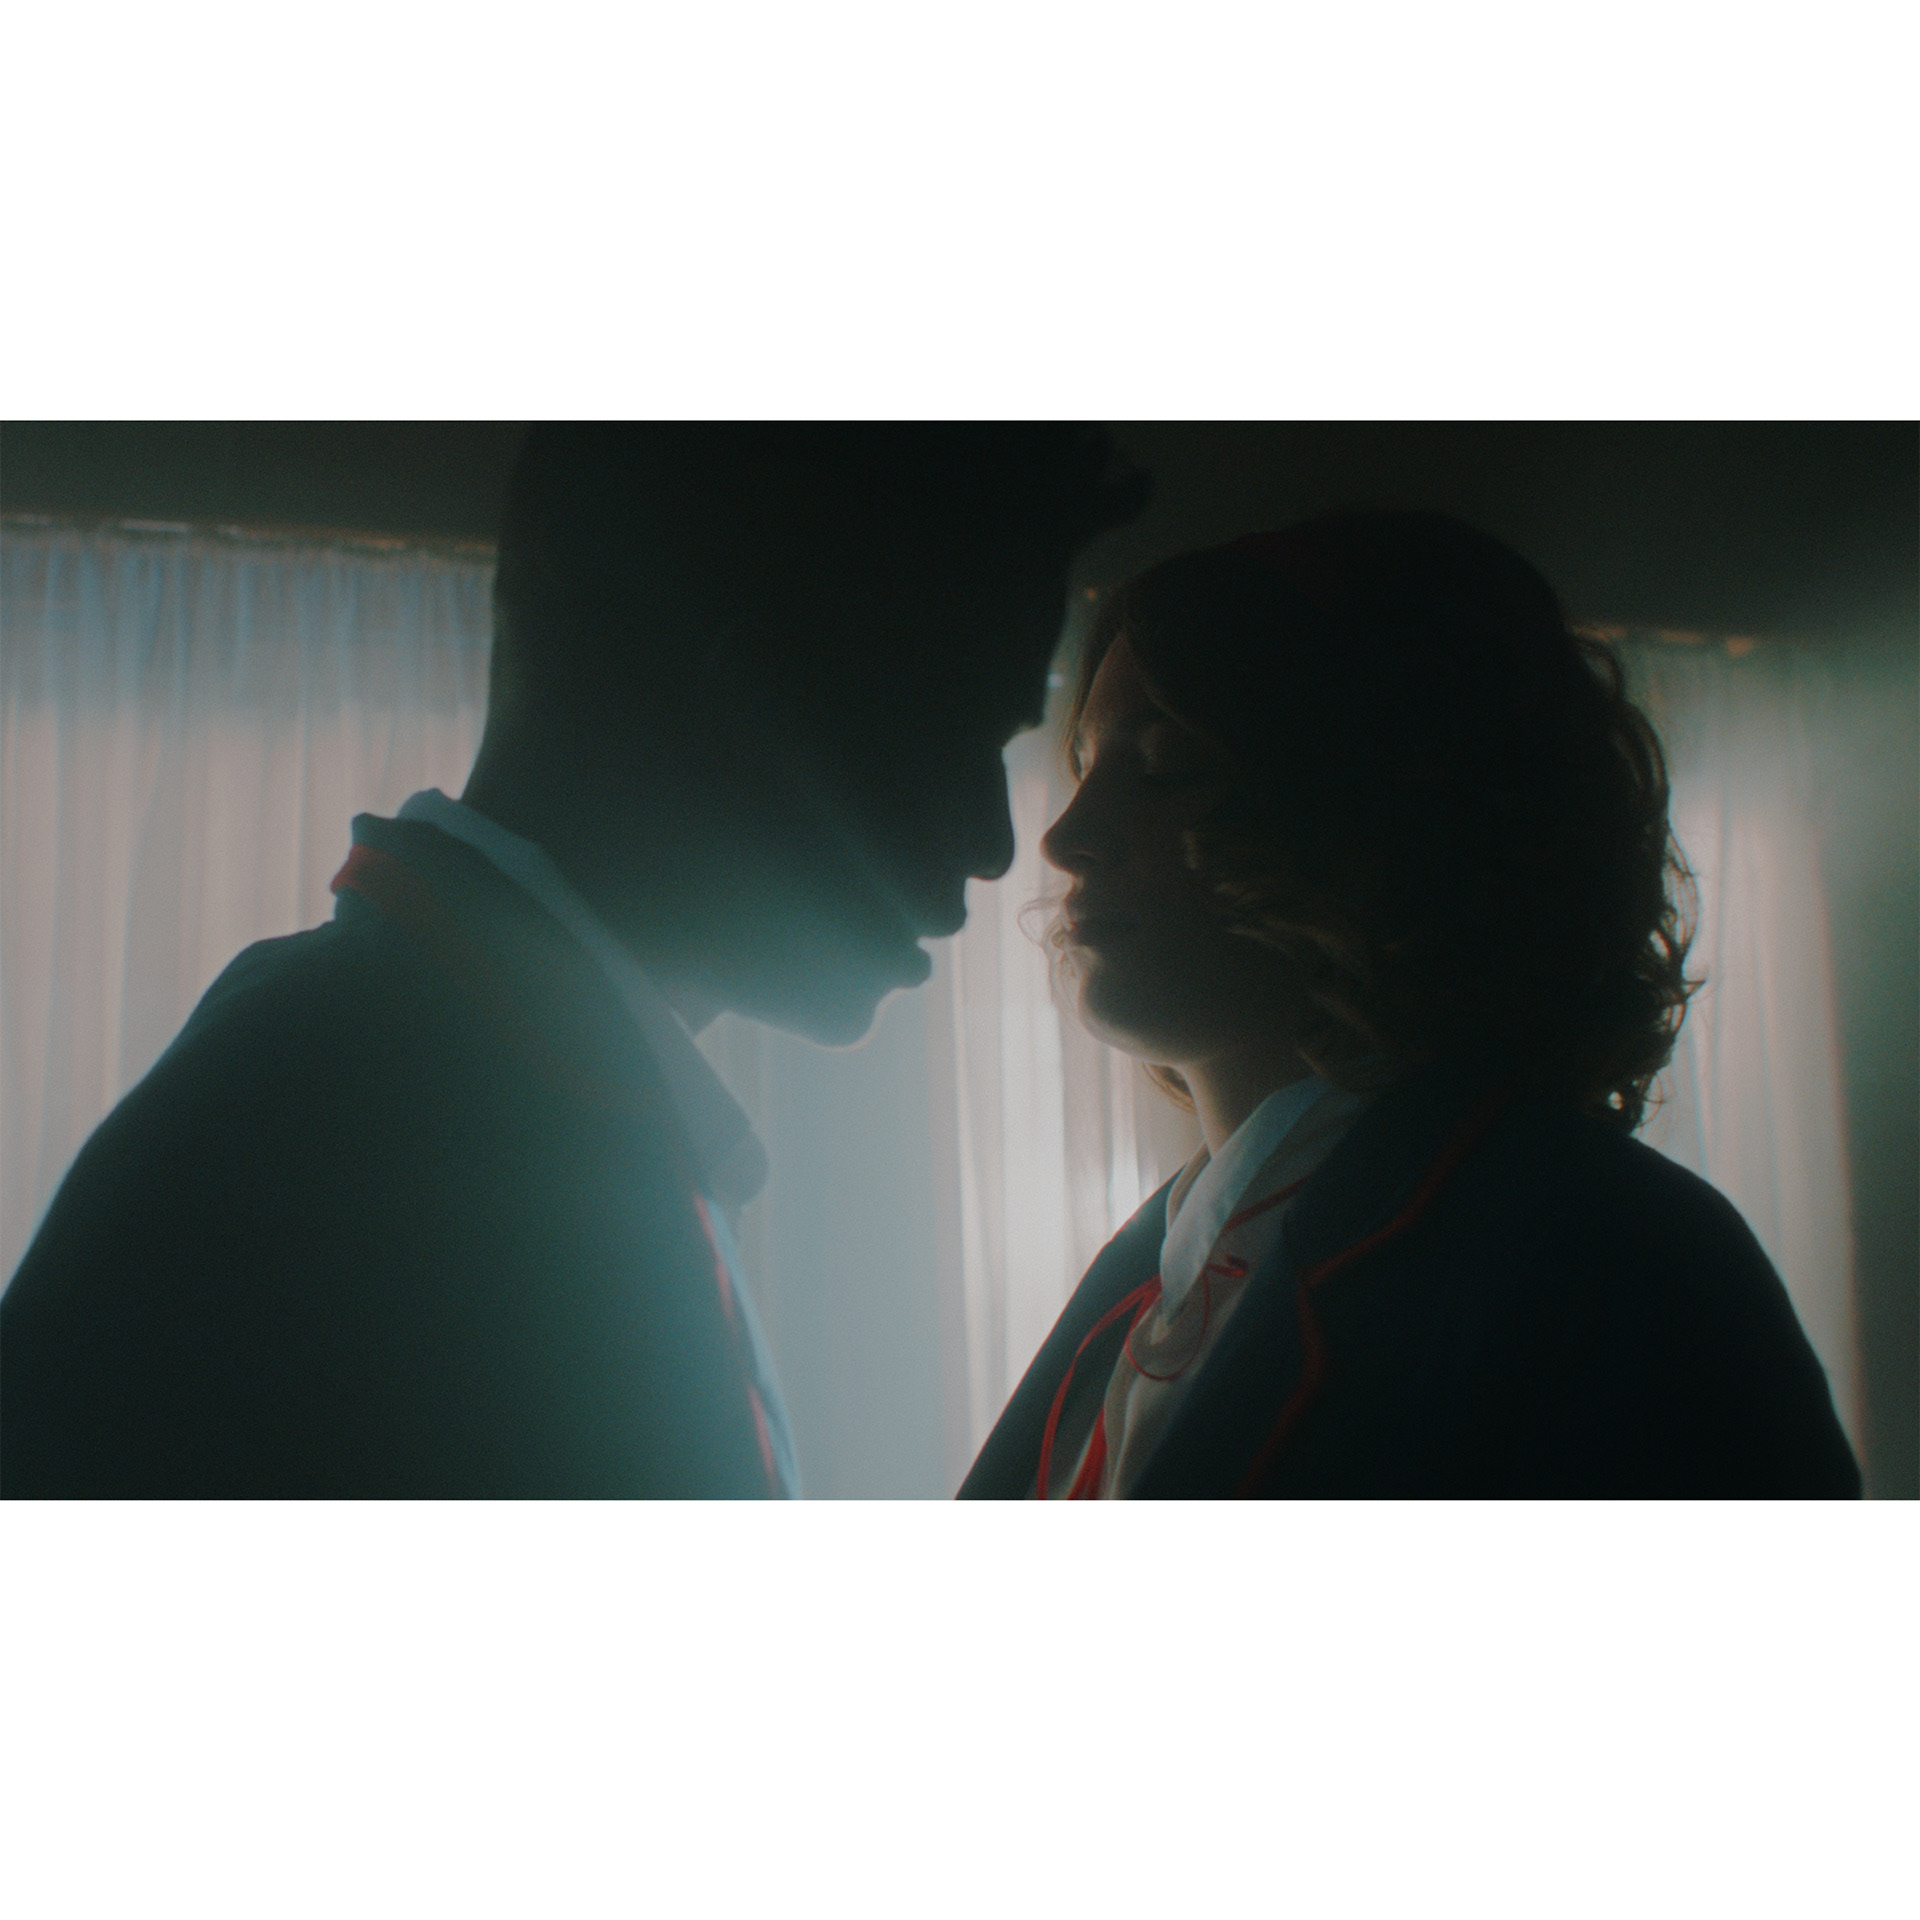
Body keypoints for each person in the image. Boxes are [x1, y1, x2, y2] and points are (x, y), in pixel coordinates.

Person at [1, 423, 1147, 1497]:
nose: (995, 844)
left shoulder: (408, 1076)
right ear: (740, 701)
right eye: (954, 734)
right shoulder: (425, 1164)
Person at [958, 511, 1862, 1499]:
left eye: (1166, 767)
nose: (1067, 836)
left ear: (1386, 818)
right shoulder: (1153, 1284)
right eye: (1085, 767)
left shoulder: (1611, 1258)